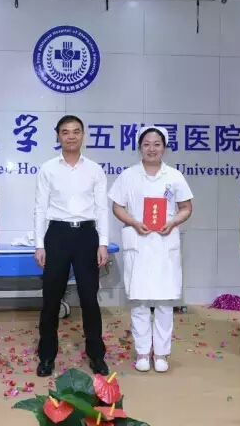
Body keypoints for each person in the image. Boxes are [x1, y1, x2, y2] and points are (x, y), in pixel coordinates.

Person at [108, 126, 193, 373]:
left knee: (165, 302)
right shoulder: (128, 175)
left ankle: (162, 354)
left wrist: (173, 222)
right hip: (139, 242)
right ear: (139, 147)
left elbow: (186, 207)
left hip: (165, 243)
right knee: (140, 301)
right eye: (147, 144)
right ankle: (143, 352)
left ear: (164, 147)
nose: (152, 149)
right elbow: (117, 207)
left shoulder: (174, 176)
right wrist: (134, 222)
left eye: (157, 144)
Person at [34, 115, 110, 377]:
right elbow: (40, 208)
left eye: (76, 131)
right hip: (57, 234)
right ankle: (46, 356)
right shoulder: (48, 169)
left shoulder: (95, 170)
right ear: (58, 136)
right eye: (65, 132)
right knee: (51, 298)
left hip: (87, 235)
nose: (71, 136)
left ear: (83, 135)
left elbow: (102, 209)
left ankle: (96, 355)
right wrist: (39, 245)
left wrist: (103, 243)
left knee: (89, 297)